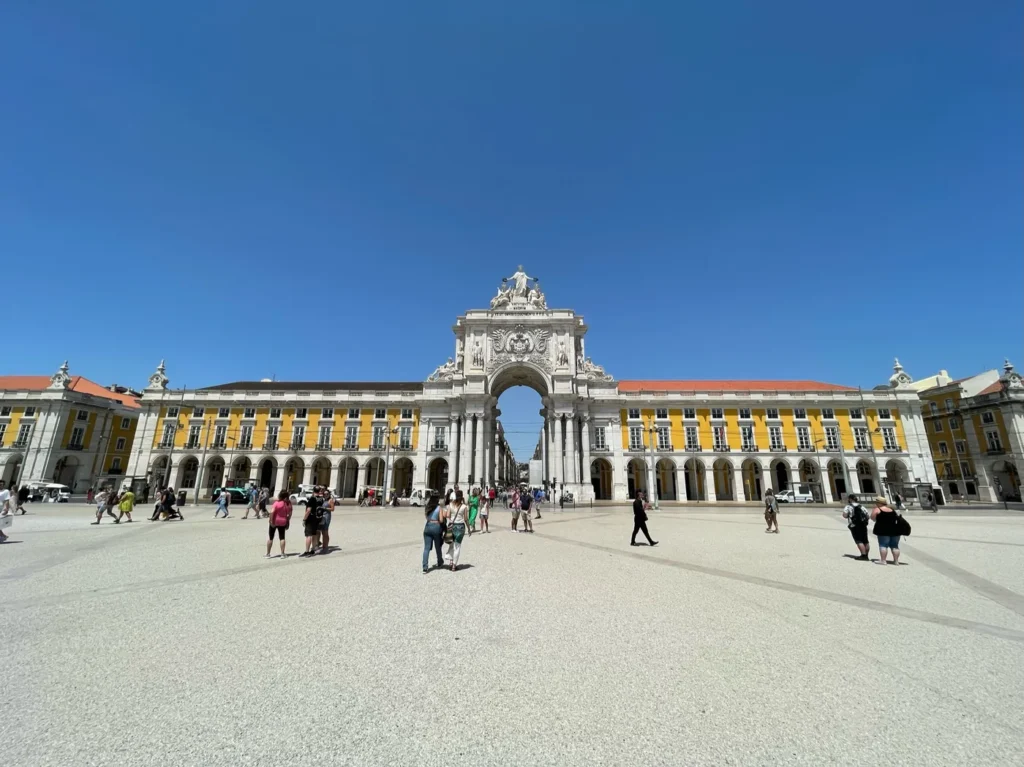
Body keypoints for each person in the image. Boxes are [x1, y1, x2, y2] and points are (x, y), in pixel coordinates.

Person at [871, 496, 903, 565]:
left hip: (883, 530)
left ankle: (883, 560)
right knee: (895, 545)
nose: (876, 504)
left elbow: (872, 518)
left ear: (879, 503)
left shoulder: (877, 509)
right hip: (895, 530)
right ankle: (896, 561)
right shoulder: (892, 509)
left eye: (876, 502)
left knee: (883, 545)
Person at [443, 490, 470, 570]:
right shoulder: (464, 506)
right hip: (460, 527)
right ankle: (454, 565)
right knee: (457, 546)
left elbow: (447, 515)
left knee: (451, 543)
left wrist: (451, 520)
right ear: (462, 497)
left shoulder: (450, 505)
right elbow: (465, 519)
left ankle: (451, 561)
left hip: (453, 526)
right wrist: (469, 528)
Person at [841, 494, 871, 560]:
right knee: (865, 540)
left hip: (854, 525)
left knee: (858, 540)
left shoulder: (848, 506)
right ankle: (866, 555)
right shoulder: (861, 506)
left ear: (850, 499)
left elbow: (845, 515)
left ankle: (863, 555)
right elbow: (868, 516)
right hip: (863, 525)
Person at [421, 492, 444, 573]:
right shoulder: (439, 508)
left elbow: (426, 517)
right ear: (437, 499)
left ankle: (425, 567)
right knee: (438, 546)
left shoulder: (427, 507)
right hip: (436, 527)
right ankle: (440, 562)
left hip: (427, 527)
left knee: (426, 548)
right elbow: (441, 520)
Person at [266, 489, 292, 558]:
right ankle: (282, 554)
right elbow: (289, 514)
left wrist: (271, 521)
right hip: (283, 521)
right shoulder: (287, 504)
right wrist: (288, 521)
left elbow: (272, 512)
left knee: (270, 537)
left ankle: (268, 553)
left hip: (274, 521)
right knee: (282, 537)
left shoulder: (276, 503)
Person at [301, 490, 323, 556]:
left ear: (313, 492)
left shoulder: (312, 499)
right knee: (314, 534)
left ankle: (307, 551)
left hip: (310, 519)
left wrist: (304, 519)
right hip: (317, 518)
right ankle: (313, 549)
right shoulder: (320, 499)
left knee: (308, 535)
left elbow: (308, 510)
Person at [319, 488, 335, 553]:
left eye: (327, 494)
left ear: (329, 494)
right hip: (323, 516)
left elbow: (333, 509)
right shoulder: (323, 500)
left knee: (325, 532)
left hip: (327, 516)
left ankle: (326, 547)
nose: (326, 495)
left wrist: (325, 508)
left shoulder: (330, 500)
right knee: (323, 532)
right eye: (324, 494)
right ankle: (324, 545)